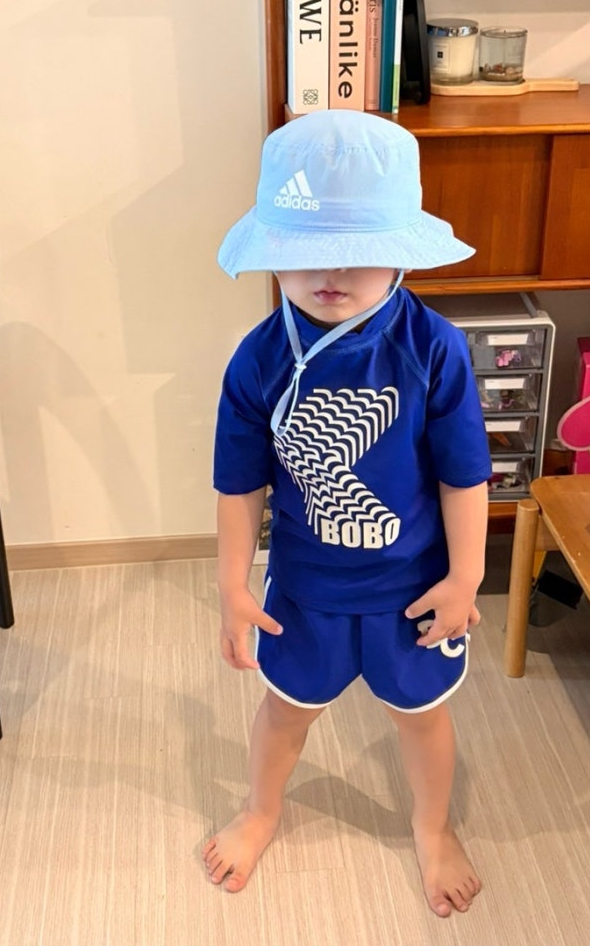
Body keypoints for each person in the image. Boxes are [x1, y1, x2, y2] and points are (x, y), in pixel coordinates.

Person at [202, 110, 491, 919]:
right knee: (284, 711)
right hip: (305, 590)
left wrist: (466, 576)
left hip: (413, 589)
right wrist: (231, 584)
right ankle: (261, 810)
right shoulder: (258, 358)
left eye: (357, 247)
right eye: (306, 248)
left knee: (422, 719)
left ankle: (432, 828)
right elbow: (239, 484)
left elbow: (465, 475)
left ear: (401, 250)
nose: (330, 269)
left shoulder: (433, 348)